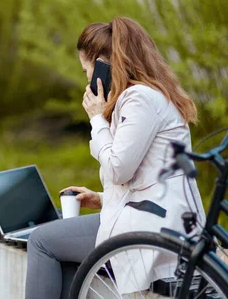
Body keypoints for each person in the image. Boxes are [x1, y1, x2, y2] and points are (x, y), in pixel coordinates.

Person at [24, 17, 206, 299]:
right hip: (157, 217)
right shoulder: (149, 95)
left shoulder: (139, 99)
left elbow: (119, 169)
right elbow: (146, 176)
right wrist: (101, 198)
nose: (87, 78)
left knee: (41, 241)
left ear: (101, 66)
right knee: (64, 251)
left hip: (154, 229)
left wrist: (97, 119)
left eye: (86, 69)